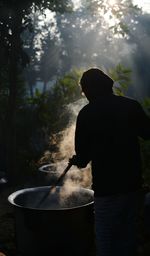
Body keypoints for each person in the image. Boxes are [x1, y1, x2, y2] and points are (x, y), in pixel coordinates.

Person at [69, 68, 150, 256]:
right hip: (132, 185)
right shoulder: (131, 106)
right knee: (127, 234)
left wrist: (76, 160)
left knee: (106, 237)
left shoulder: (87, 113)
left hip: (107, 189)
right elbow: (147, 133)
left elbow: (82, 159)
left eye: (84, 90)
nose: (85, 94)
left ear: (89, 89)